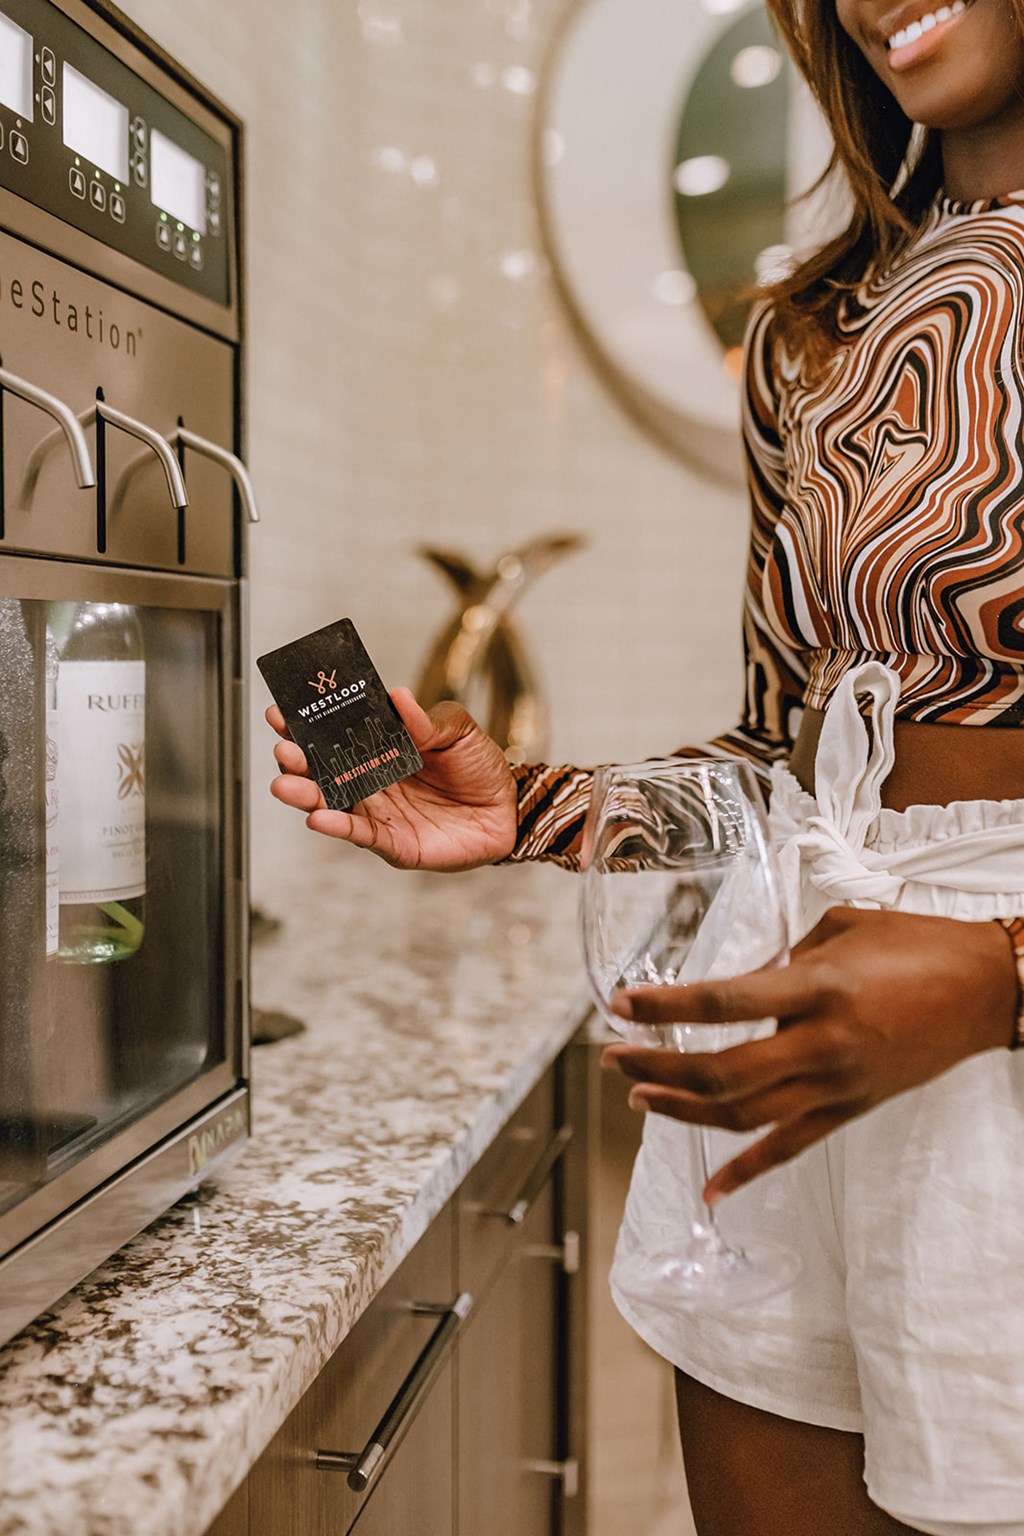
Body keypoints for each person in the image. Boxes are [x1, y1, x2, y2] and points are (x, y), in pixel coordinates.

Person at [267, 0, 1024, 1529]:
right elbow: (784, 753)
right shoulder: (813, 330)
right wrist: (539, 807)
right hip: (804, 1019)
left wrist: (997, 976)